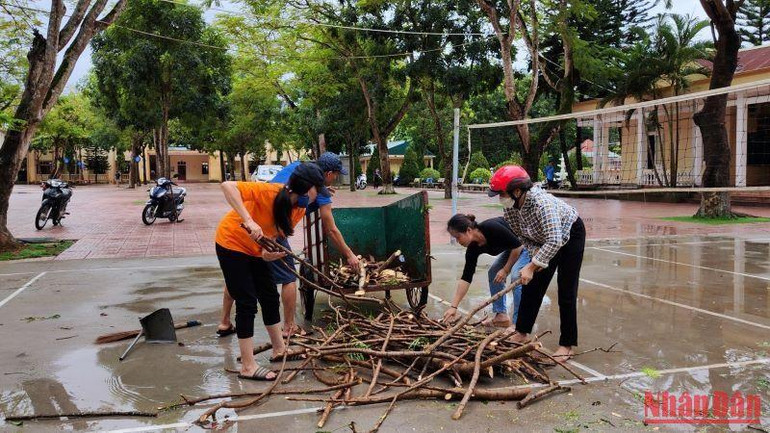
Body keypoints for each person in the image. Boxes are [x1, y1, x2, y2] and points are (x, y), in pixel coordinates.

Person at [217, 152, 360, 338]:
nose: (335, 179)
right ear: (328, 174)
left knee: (237, 278)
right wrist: (349, 254)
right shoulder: (316, 191)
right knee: (288, 278)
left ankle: (224, 322)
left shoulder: (298, 168)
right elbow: (331, 229)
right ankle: (289, 327)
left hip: (255, 223)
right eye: (335, 175)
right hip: (264, 228)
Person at [215, 163, 325, 380]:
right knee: (246, 301)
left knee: (269, 295)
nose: (319, 195)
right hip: (231, 243)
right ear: (306, 188)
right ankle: (248, 366)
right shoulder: (269, 191)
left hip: (254, 250)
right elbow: (227, 186)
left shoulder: (299, 209)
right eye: (317, 190)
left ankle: (279, 349)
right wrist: (248, 220)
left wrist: (266, 253)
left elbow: (273, 235)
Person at [487, 165, 585, 362]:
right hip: (543, 240)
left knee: (566, 290)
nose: (500, 198)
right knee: (532, 286)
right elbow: (522, 236)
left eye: (502, 194)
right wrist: (535, 257)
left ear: (517, 191)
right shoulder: (511, 208)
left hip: (569, 235)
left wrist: (532, 266)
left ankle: (567, 345)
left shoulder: (542, 204)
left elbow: (555, 240)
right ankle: (522, 332)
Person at [441, 214, 530, 328]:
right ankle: (501, 316)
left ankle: (518, 325)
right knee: (494, 272)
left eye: (458, 237)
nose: (458, 241)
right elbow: (466, 278)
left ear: (469, 230)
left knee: (516, 276)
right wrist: (453, 307)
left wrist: (505, 270)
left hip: (526, 244)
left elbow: (518, 246)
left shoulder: (491, 227)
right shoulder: (472, 249)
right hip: (512, 248)